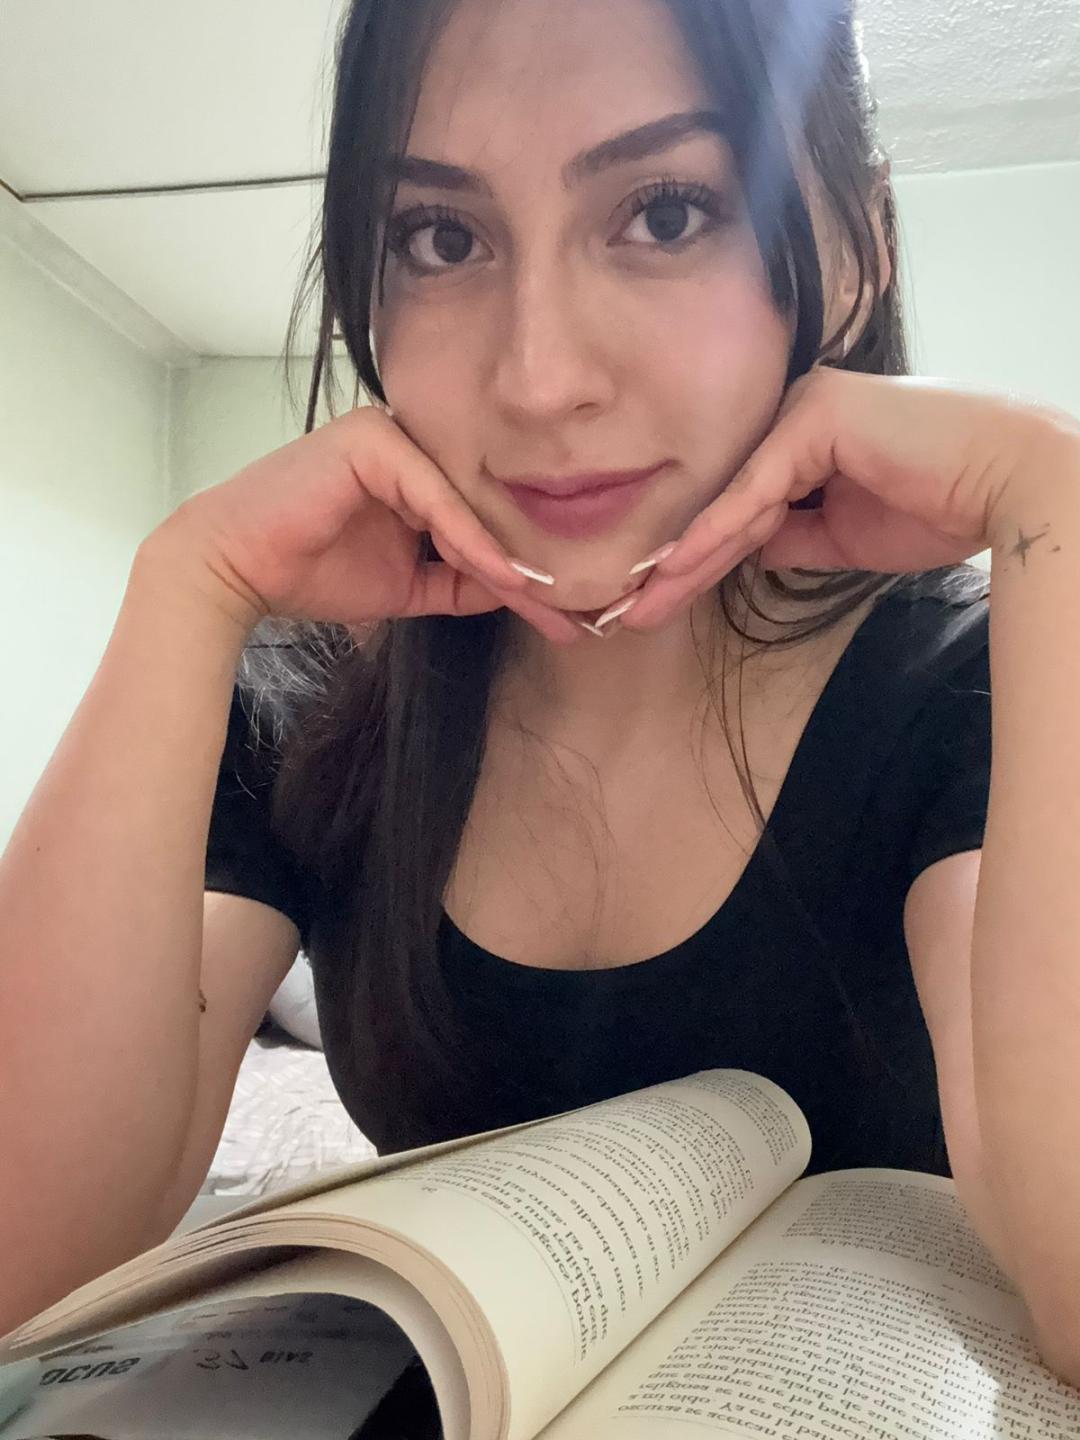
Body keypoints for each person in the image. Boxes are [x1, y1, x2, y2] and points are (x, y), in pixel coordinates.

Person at [4, 0, 1080, 1380]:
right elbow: (25, 1261)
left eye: (668, 213)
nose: (539, 378)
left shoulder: (965, 688)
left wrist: (1057, 496)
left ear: (855, 249)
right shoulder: (307, 702)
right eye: (440, 238)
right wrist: (184, 587)